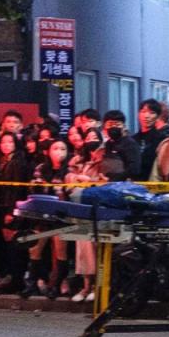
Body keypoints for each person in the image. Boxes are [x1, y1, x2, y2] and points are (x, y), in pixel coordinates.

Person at [22, 139, 72, 299]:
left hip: (61, 218)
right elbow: (32, 188)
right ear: (48, 151)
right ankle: (30, 285)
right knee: (35, 250)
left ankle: (55, 287)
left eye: (63, 148)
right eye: (55, 148)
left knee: (61, 254)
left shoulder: (69, 171)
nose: (59, 152)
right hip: (42, 216)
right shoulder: (41, 169)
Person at [65, 128, 107, 303]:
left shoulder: (105, 161)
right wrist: (77, 178)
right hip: (80, 210)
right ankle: (85, 287)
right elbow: (68, 180)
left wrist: (88, 181)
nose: (91, 140)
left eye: (94, 137)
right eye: (88, 137)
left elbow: (106, 183)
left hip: (99, 212)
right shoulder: (78, 160)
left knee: (98, 248)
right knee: (82, 249)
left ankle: (99, 287)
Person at [0, 132, 31, 293]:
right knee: (8, 246)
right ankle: (12, 278)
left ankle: (17, 280)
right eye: (3, 142)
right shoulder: (2, 161)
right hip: (2, 207)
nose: (6, 145)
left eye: (10, 142)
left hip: (12, 209)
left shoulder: (16, 162)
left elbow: (16, 189)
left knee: (15, 245)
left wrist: (11, 212)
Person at [101, 110, 141, 182]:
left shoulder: (130, 144)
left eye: (117, 124)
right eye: (110, 124)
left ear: (123, 126)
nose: (113, 127)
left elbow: (134, 169)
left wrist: (115, 179)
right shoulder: (108, 144)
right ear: (104, 127)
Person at [133, 99, 166, 181]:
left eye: (152, 113)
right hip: (133, 184)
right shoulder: (132, 139)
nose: (146, 116)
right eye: (143, 112)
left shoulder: (162, 139)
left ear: (158, 117)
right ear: (138, 114)